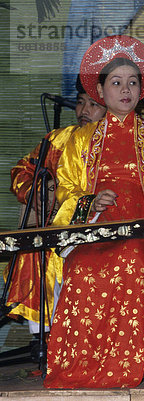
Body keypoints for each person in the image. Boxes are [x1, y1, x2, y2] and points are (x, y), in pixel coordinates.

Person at [43, 35, 144, 388]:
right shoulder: (81, 139)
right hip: (95, 226)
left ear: (142, 89)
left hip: (141, 227)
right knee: (81, 267)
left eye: (132, 82)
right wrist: (88, 202)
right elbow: (67, 190)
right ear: (100, 89)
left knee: (134, 264)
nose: (125, 90)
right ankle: (79, 366)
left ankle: (131, 363)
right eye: (116, 82)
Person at [5, 76, 106, 337]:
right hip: (56, 230)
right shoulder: (59, 139)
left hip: (98, 228)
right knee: (34, 249)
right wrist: (35, 192)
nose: (84, 111)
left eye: (93, 105)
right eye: (81, 103)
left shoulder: (115, 143)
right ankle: (44, 338)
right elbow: (22, 170)